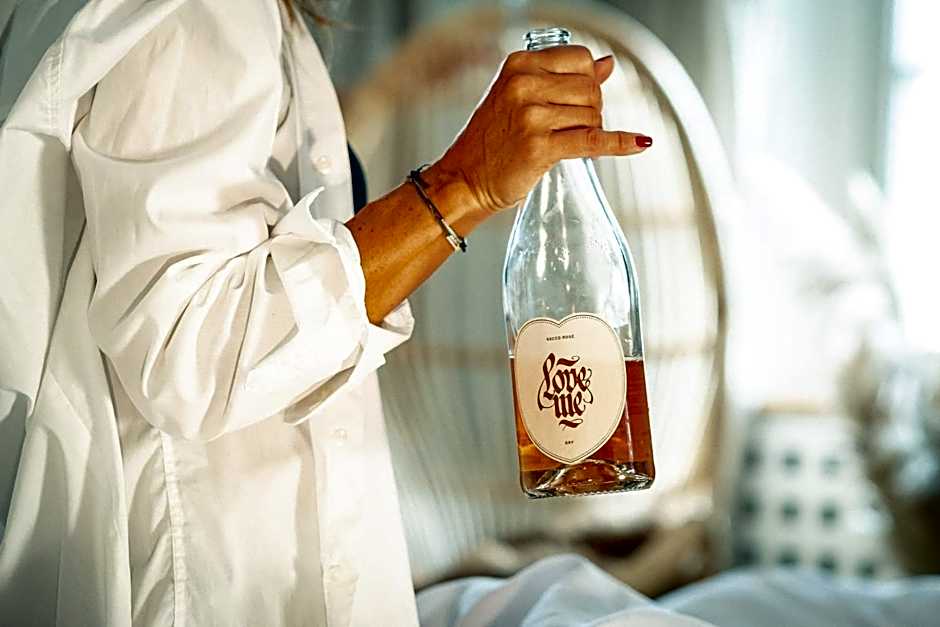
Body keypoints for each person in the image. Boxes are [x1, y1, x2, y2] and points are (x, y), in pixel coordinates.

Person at [0, 0, 651, 624]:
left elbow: (231, 194)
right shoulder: (204, 10)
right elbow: (189, 352)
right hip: (214, 587)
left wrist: (388, 96)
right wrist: (465, 184)